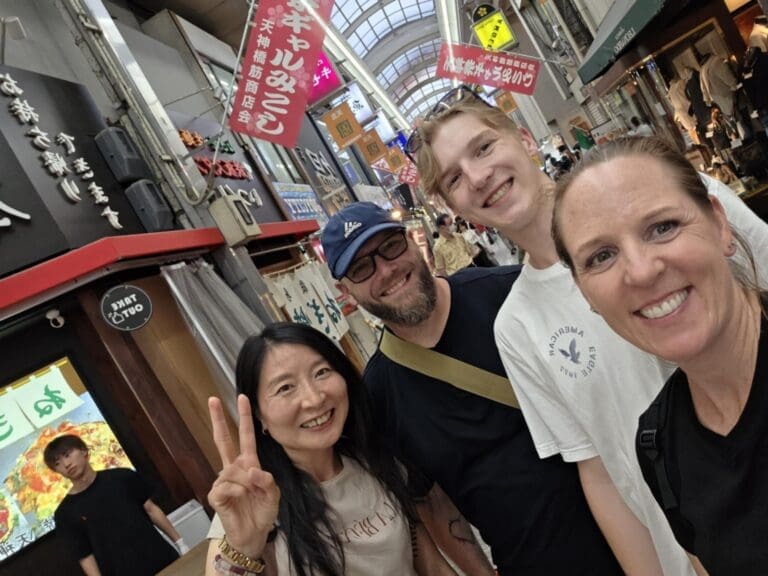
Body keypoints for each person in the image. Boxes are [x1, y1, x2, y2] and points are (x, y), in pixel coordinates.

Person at [411, 86, 768, 575]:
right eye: (454, 177)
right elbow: (597, 467)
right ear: (453, 206)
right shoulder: (516, 326)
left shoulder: (666, 196)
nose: (478, 176)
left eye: (484, 147)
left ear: (524, 139)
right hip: (687, 546)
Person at [320, 201, 621, 575]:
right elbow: (431, 500)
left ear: (415, 242)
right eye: (362, 268)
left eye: (391, 247)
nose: (386, 269)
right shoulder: (378, 395)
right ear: (345, 291)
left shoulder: (510, 294)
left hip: (635, 523)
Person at [551, 136, 766, 576]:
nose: (642, 270)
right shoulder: (659, 443)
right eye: (602, 256)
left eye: (662, 227)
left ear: (720, 224)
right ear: (584, 293)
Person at [205, 322, 455, 576]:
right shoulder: (251, 502)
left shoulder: (374, 459)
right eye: (285, 388)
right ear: (260, 416)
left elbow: (431, 565)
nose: (314, 398)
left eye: (322, 372)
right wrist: (244, 548)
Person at [44, 434, 185, 576]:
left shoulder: (122, 477)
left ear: (83, 451)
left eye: (67, 455)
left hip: (162, 559)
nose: (66, 464)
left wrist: (180, 543)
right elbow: (85, 556)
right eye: (57, 463)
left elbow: (151, 509)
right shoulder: (65, 513)